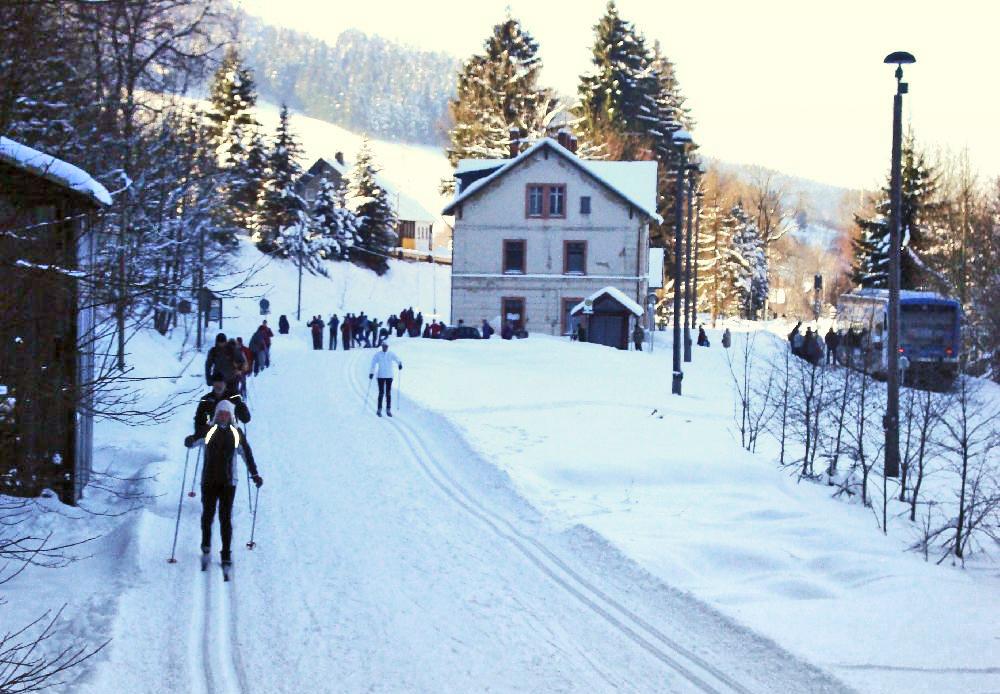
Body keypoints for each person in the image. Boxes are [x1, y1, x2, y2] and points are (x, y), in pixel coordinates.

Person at [184, 400, 262, 570]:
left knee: (225, 518)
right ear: (216, 414)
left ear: (231, 416)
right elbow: (193, 442)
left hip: (229, 482)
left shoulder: (236, 433)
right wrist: (189, 441)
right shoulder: (208, 431)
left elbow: (247, 454)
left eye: (226, 413)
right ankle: (205, 546)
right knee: (208, 515)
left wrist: (254, 474)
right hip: (208, 480)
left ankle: (225, 552)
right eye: (220, 413)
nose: (223, 416)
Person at [190, 372, 251, 439]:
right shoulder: (206, 400)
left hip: (231, 435)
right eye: (216, 384)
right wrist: (198, 434)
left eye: (221, 383)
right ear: (213, 384)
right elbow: (198, 419)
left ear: (225, 384)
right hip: (211, 436)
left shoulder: (234, 398)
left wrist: (242, 409)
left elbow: (246, 419)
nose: (218, 386)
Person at [369, 342, 402, 417]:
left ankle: (388, 409)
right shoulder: (378, 355)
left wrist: (400, 364)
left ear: (388, 347)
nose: (385, 348)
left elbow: (397, 359)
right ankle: (379, 409)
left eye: (386, 346)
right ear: (382, 346)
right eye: (384, 346)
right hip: (380, 376)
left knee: (388, 393)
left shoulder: (391, 354)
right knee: (381, 393)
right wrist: (371, 373)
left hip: (389, 376)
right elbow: (373, 364)